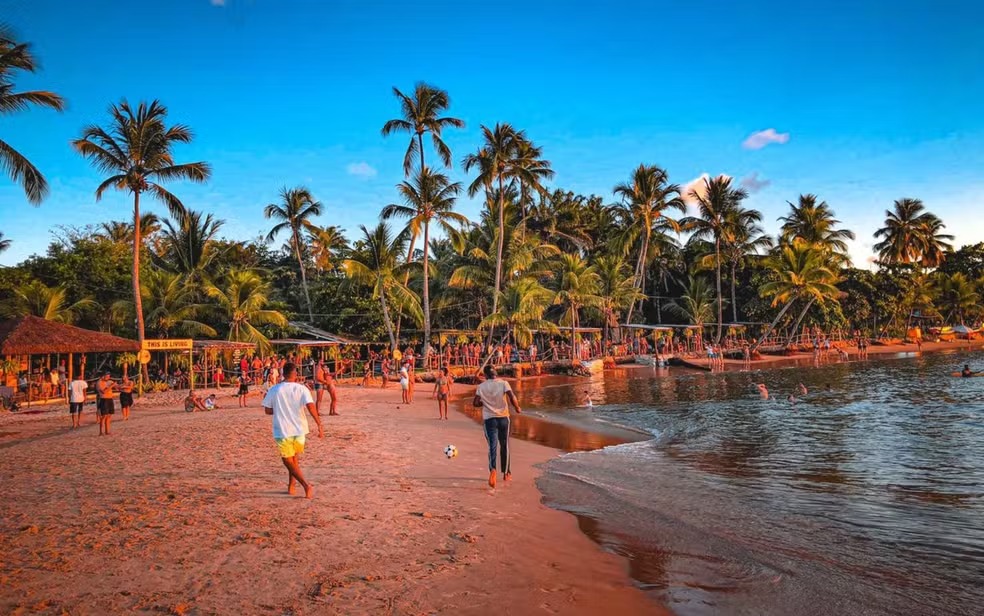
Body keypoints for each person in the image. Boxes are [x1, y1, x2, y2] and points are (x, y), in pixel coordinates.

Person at [262, 362, 323, 499]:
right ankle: (291, 486)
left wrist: (279, 409)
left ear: (283, 373)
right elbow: (311, 407)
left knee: (287, 460)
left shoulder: (274, 390)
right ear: (295, 374)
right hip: (300, 429)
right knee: (294, 459)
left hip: (283, 429)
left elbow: (267, 410)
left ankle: (305, 485)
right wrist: (319, 424)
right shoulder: (301, 389)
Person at [473, 365, 522, 488]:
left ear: (485, 375)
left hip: (489, 419)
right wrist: (517, 407)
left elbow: (475, 403)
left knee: (492, 446)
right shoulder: (504, 383)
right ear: (496, 374)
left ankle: (493, 470)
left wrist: (484, 402)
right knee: (504, 445)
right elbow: (512, 396)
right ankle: (506, 473)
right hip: (504, 418)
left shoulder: (481, 387)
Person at [95, 371, 116, 436]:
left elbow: (117, 386)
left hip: (110, 399)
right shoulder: (99, 383)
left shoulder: (109, 381)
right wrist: (112, 386)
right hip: (104, 399)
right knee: (104, 416)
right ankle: (101, 431)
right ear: (103, 376)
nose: (108, 377)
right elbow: (104, 391)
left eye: (109, 376)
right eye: (107, 376)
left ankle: (107, 430)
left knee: (109, 415)